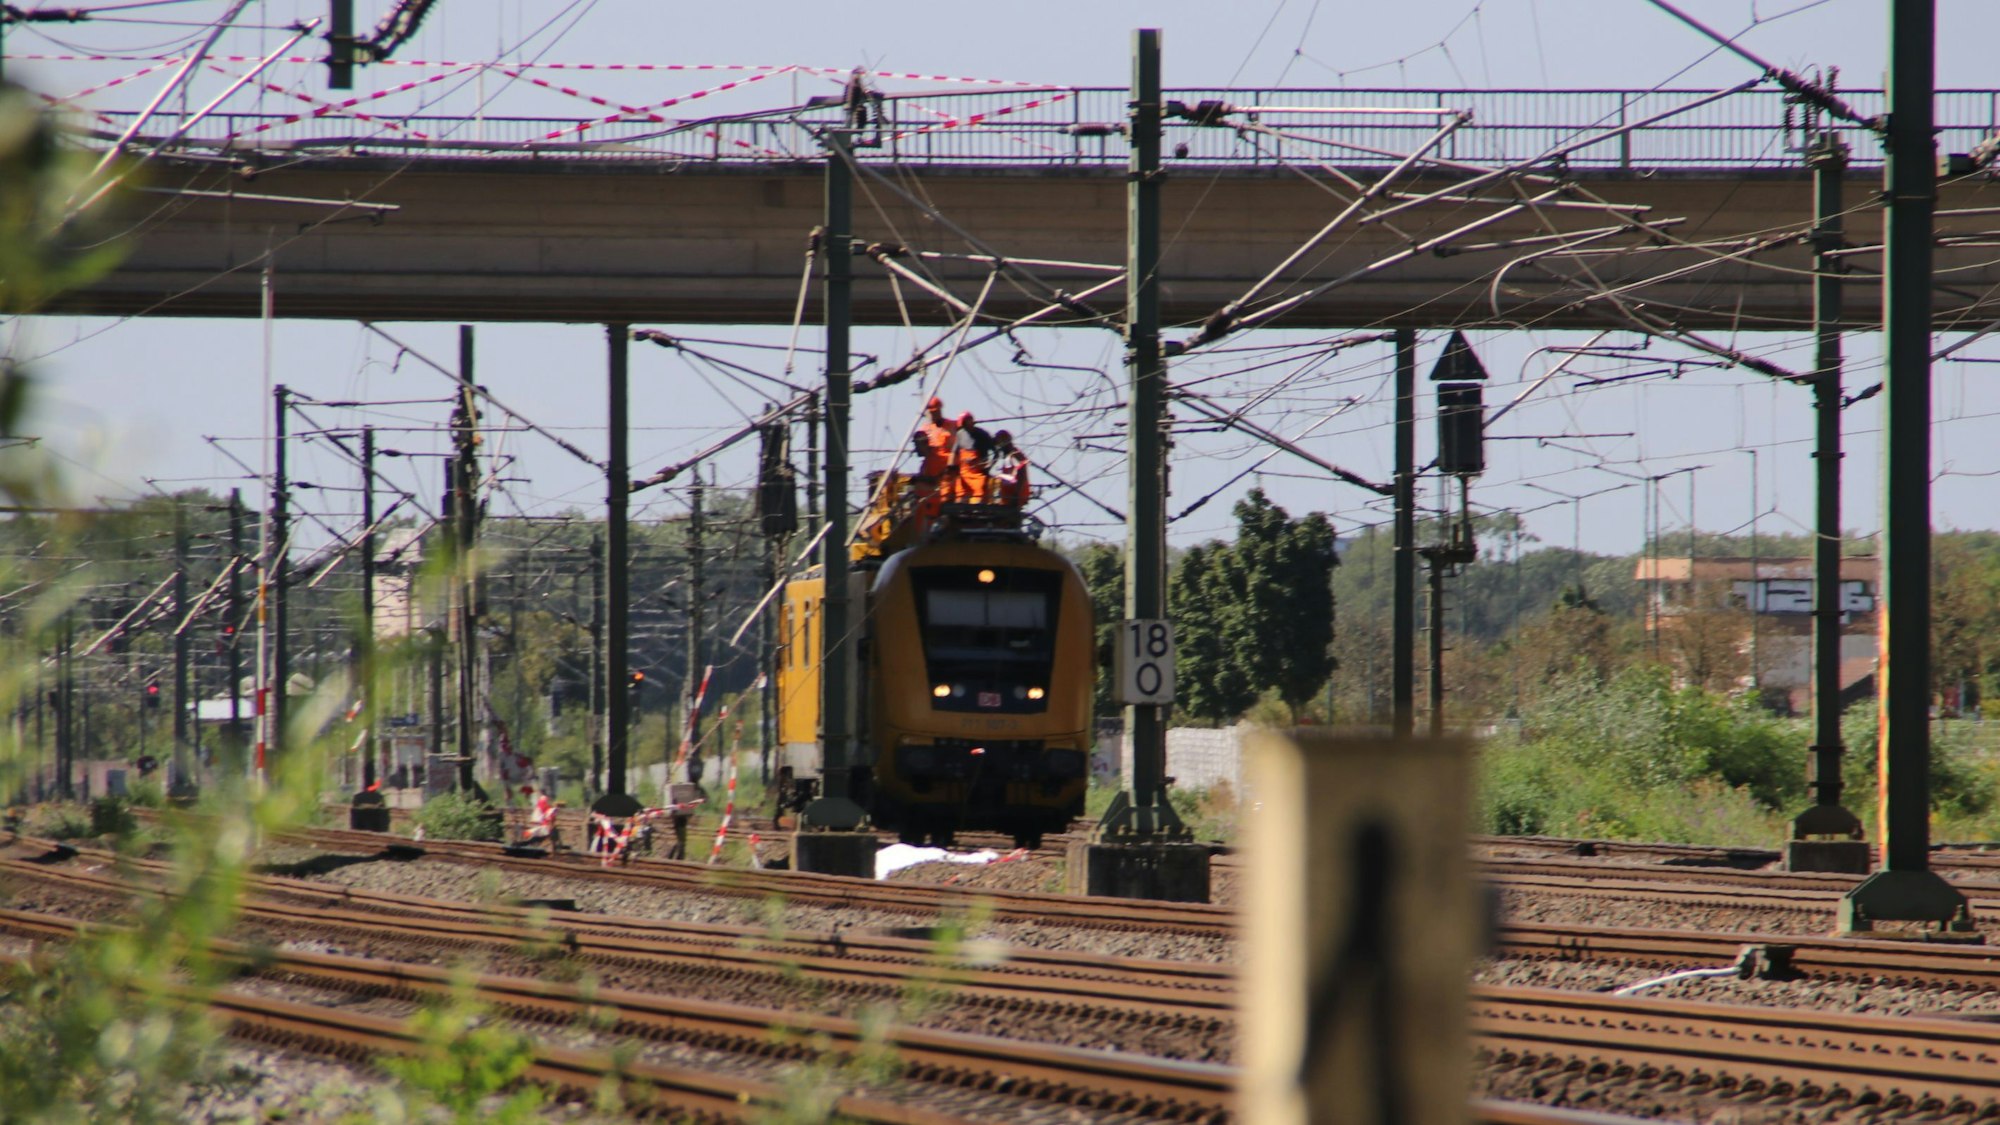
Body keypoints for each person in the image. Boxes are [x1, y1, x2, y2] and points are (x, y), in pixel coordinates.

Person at [948, 411, 993, 501]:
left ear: (971, 421)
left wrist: (988, 466)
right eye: (963, 424)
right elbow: (954, 452)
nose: (965, 426)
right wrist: (950, 467)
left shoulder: (983, 435)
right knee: (961, 494)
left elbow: (995, 451)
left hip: (978, 473)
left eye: (966, 422)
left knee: (979, 494)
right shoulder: (960, 434)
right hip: (964, 472)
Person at [992, 429, 1031, 506]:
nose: (998, 446)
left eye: (999, 443)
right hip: (1007, 500)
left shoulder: (1015, 454)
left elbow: (1021, 473)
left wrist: (1016, 494)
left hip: (1014, 499)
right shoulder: (1006, 457)